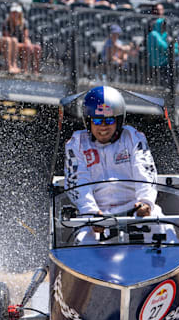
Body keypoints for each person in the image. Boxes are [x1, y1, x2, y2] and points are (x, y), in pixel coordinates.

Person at [64, 86, 162, 244]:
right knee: (83, 241)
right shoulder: (76, 143)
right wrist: (91, 213)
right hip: (97, 214)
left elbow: (144, 169)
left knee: (165, 230)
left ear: (119, 120)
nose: (103, 126)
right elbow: (77, 180)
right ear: (88, 121)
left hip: (135, 209)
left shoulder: (133, 137)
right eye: (97, 120)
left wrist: (146, 202)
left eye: (109, 120)